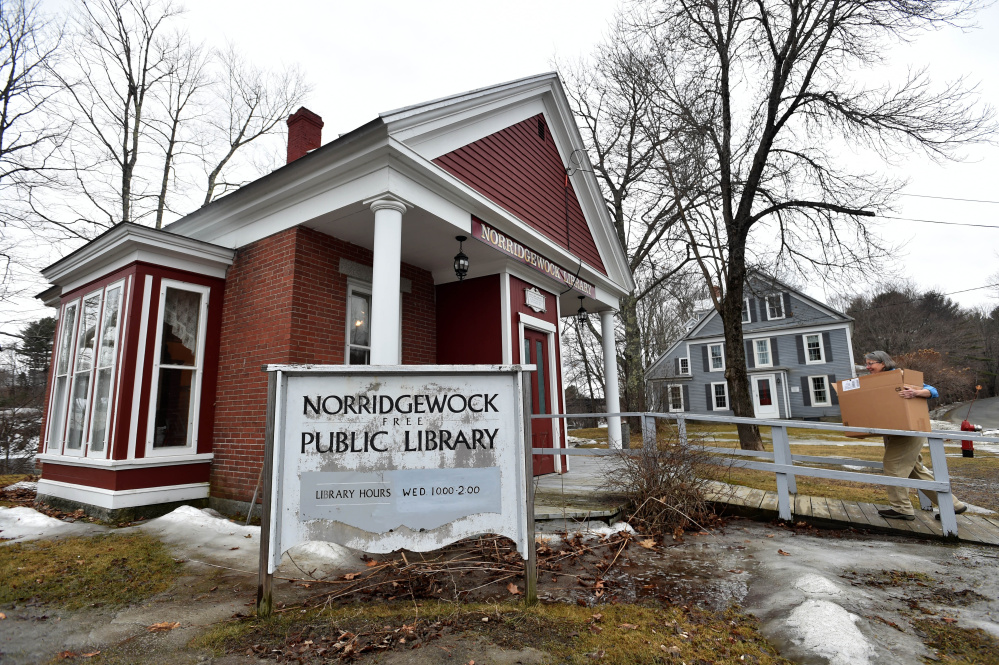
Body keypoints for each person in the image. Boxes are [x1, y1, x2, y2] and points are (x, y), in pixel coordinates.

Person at [863, 351, 967, 521]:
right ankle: (953, 505)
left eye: (871, 363)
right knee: (915, 470)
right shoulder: (874, 382)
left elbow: (933, 391)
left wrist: (915, 393)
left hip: (909, 432)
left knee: (893, 466)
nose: (867, 367)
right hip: (893, 432)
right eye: (866, 364)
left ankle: (902, 509)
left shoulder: (899, 376)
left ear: (883, 363)